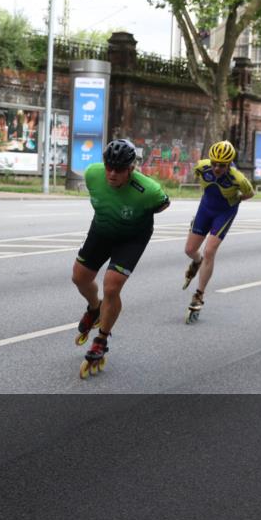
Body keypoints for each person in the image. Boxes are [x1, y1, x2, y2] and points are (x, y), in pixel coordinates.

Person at [72, 139, 170, 379]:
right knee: (79, 278)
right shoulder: (93, 175)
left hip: (132, 238)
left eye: (119, 169)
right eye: (109, 167)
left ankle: (101, 339)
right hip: (102, 229)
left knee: (112, 286)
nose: (112, 174)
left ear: (131, 169)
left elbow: (163, 204)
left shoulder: (149, 190)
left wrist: (136, 217)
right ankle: (94, 308)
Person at [182, 140, 254, 322]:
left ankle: (199, 294)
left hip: (224, 211)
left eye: (221, 166)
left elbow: (249, 193)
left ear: (229, 164)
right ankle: (196, 262)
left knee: (209, 251)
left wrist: (236, 198)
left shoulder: (238, 178)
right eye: (214, 163)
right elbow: (198, 176)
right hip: (206, 207)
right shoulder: (202, 167)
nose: (216, 168)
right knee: (190, 250)